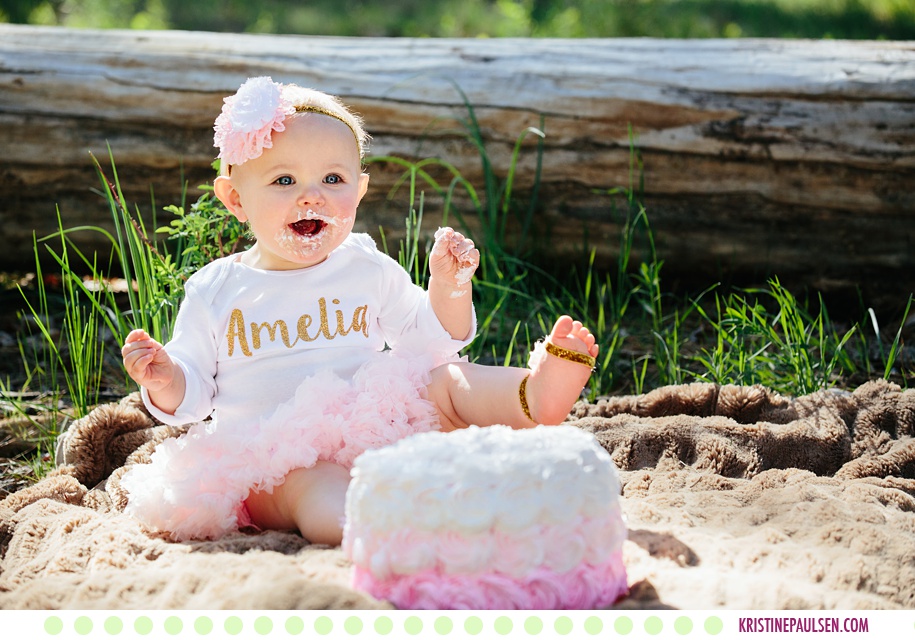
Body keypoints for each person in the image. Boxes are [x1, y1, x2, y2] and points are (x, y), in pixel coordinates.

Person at [120, 77, 599, 545]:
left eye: (333, 179)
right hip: (275, 461)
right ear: (236, 199)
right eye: (284, 180)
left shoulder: (363, 264)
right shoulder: (217, 289)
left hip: (373, 424)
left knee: (448, 383)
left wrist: (448, 288)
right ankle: (374, 524)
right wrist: (166, 379)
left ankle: (533, 395)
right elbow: (195, 395)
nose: (312, 195)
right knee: (315, 485)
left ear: (360, 189)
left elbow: (428, 340)